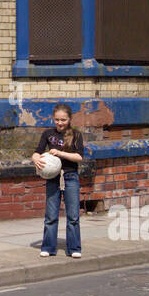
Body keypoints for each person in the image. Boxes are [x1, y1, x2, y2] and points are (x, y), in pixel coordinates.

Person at [32, 103, 84, 258]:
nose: (60, 123)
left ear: (69, 119)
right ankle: (48, 247)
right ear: (53, 119)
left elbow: (79, 157)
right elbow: (37, 152)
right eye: (57, 120)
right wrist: (35, 159)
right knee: (51, 215)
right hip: (53, 178)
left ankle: (74, 248)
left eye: (63, 120)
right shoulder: (48, 133)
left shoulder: (76, 135)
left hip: (70, 177)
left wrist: (60, 153)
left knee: (73, 216)